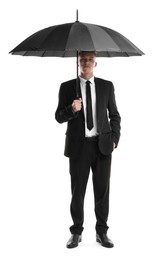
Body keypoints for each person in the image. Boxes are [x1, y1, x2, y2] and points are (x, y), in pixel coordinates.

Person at [55, 51, 121, 249]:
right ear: (78, 62)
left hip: (102, 146)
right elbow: (58, 116)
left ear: (96, 63)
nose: (86, 62)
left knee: (102, 191)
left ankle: (102, 232)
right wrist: (71, 109)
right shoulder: (67, 87)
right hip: (78, 147)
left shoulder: (107, 86)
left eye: (90, 59)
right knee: (78, 192)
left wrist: (115, 140)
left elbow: (115, 115)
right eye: (82, 59)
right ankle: (76, 232)